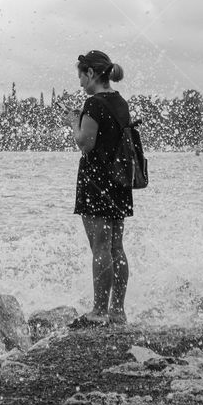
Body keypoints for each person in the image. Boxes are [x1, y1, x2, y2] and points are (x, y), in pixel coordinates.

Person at [65, 50, 132, 326]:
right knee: (117, 246)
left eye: (81, 76)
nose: (80, 83)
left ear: (91, 74)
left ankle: (99, 311)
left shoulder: (93, 104)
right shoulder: (121, 102)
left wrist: (73, 122)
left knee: (100, 247)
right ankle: (117, 311)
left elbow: (85, 143)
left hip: (96, 181)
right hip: (119, 181)